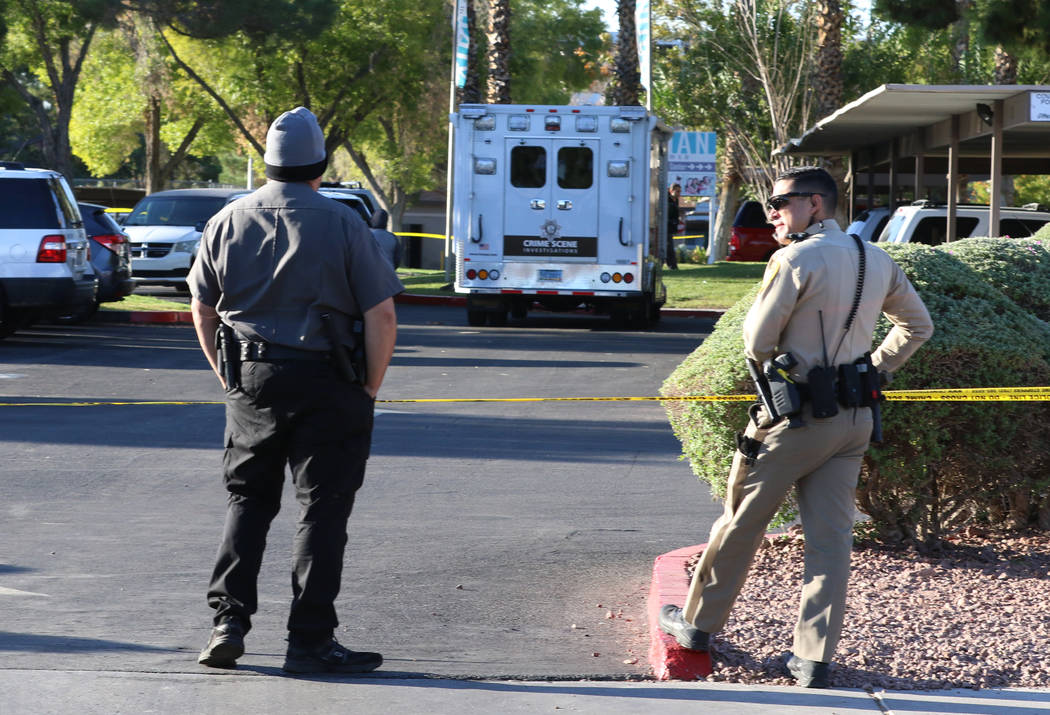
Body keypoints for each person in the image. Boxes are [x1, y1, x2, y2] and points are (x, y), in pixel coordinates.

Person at [658, 166, 933, 688]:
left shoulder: (793, 259)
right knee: (830, 541)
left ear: (816, 205)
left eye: (780, 203)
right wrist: (874, 368)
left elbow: (758, 342)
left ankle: (697, 626)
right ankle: (812, 659)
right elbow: (919, 326)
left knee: (739, 523)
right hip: (854, 419)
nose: (773, 213)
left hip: (797, 419)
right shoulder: (877, 258)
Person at [189, 106, 402, 674]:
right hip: (331, 379)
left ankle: (227, 623)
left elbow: (203, 307)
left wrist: (226, 374)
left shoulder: (227, 219)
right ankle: (309, 641)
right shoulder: (345, 224)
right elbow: (381, 315)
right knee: (323, 510)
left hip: (253, 378)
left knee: (248, 502)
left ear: (267, 162)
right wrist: (369, 388)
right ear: (321, 165)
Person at [666, 183, 681, 270]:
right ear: (671, 191)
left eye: (680, 191)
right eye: (677, 191)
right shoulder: (667, 200)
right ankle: (672, 266)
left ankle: (672, 266)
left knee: (669, 247)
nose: (679, 193)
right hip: (666, 227)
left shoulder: (676, 200)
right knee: (669, 248)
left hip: (671, 227)